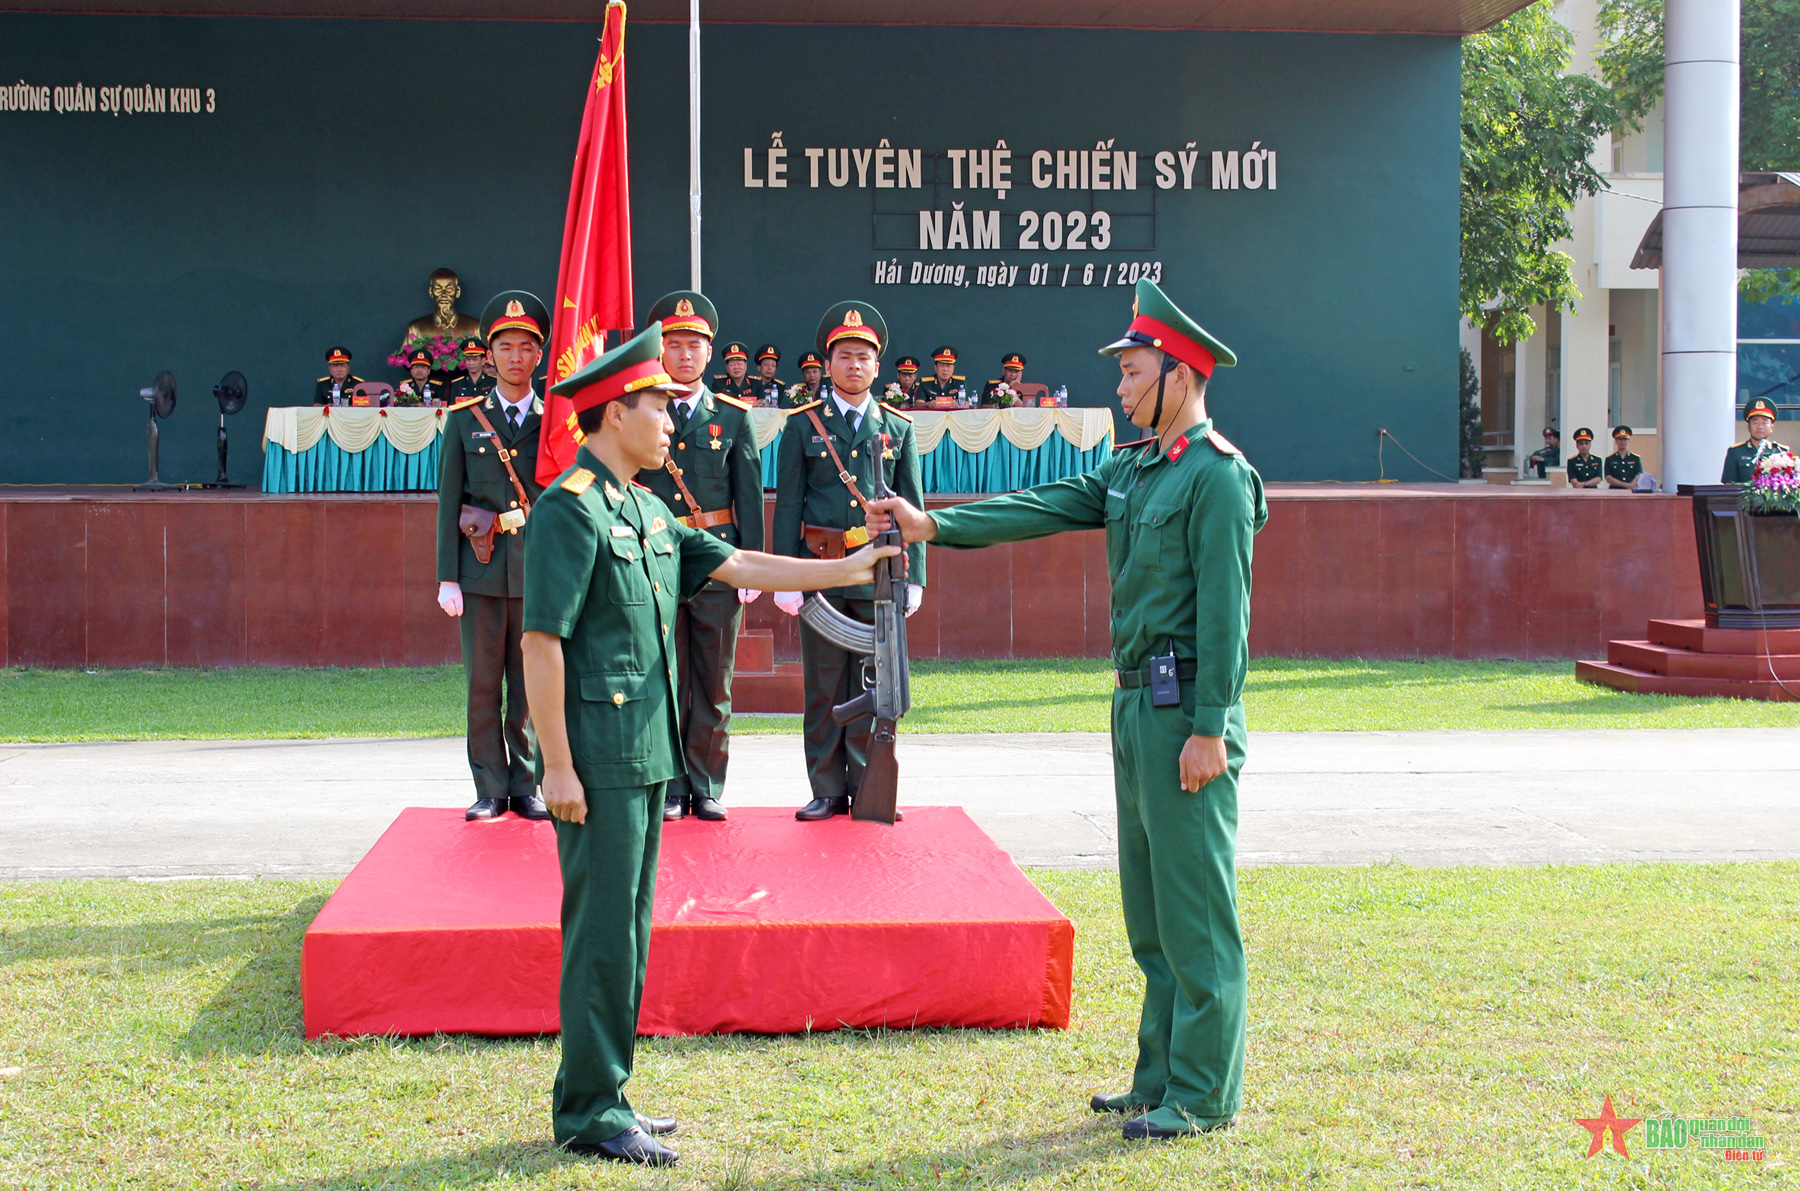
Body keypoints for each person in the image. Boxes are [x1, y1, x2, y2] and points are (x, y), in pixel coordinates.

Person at [868, 278, 1265, 1141]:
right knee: (1152, 911)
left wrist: (1209, 726)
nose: (1119, 388)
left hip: (1185, 709)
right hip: (1133, 706)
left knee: (1197, 909)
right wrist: (931, 524)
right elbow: (1043, 505)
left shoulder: (1217, 477)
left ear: (1181, 375)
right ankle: (1158, 1076)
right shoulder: (1130, 469)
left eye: (1132, 371)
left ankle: (1203, 1092)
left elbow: (1227, 616)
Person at [521, 324, 901, 1167]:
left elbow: (742, 565)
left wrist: (852, 568)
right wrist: (555, 763)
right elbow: (540, 642)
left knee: (629, 929)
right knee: (601, 933)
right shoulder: (568, 508)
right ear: (615, 413)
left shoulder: (647, 508)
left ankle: (607, 1090)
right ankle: (587, 1106)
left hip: (648, 753)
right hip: (597, 758)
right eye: (657, 407)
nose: (670, 421)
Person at [771, 302, 927, 821]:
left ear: (877, 367)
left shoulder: (898, 429)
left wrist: (917, 578)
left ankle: (869, 788)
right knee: (822, 687)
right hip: (818, 572)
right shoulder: (802, 427)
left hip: (877, 576)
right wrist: (784, 576)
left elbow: (915, 512)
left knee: (874, 685)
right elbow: (788, 504)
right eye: (844, 357)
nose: (853, 366)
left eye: (863, 357)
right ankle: (825, 789)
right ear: (827, 364)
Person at [631, 292, 764, 822]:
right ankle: (668, 787)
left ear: (711, 353)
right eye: (674, 345)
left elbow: (748, 493)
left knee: (712, 679)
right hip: (654, 560)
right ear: (659, 352)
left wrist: (750, 563)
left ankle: (706, 783)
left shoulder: (732, 417)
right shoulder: (641, 409)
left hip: (716, 564)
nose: (684, 355)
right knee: (659, 676)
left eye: (694, 345)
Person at [435, 291, 551, 821]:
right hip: (480, 573)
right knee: (483, 685)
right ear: (489, 355)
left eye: (525, 347)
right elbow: (449, 501)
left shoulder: (555, 421)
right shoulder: (464, 420)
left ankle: (526, 785)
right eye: (504, 347)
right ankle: (489, 786)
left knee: (529, 688)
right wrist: (447, 578)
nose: (514, 357)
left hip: (538, 574)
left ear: (539, 355)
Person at [1722, 397, 1790, 482]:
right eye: (1755, 423)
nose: (1760, 427)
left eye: (1764, 423)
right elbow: (1729, 485)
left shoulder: (1780, 452)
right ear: (1748, 427)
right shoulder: (1736, 452)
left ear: (1772, 427)